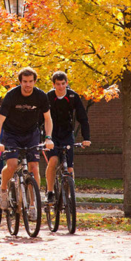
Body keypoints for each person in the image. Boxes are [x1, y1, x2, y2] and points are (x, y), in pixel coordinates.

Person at [0, 67, 54, 220]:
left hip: (31, 133)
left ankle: (33, 204)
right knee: (12, 164)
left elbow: (47, 119)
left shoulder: (40, 96)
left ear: (34, 82)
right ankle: (4, 189)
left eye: (30, 81)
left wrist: (48, 137)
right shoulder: (11, 96)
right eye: (25, 82)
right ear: (20, 82)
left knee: (34, 167)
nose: (27, 85)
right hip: (12, 134)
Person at [45, 71, 91, 203]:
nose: (60, 87)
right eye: (58, 84)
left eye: (63, 84)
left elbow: (83, 118)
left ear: (67, 83)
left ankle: (70, 195)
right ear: (53, 84)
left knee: (69, 168)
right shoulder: (48, 96)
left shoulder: (73, 96)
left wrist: (86, 138)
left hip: (67, 134)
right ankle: (50, 192)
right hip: (52, 134)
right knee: (53, 161)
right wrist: (42, 137)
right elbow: (40, 118)